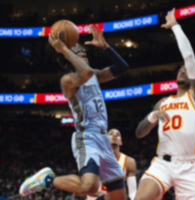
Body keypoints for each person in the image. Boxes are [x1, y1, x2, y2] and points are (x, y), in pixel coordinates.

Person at [19, 24, 129, 200]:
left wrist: (105, 47)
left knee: (118, 197)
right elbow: (84, 73)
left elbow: (123, 67)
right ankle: (47, 180)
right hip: (87, 137)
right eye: (78, 54)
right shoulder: (68, 80)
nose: (83, 55)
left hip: (103, 139)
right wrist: (63, 49)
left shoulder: (95, 75)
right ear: (70, 59)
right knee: (90, 186)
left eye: (84, 53)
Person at [134, 8, 195, 200]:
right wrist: (152, 116)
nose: (183, 71)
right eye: (180, 70)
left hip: (190, 166)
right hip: (162, 164)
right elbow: (139, 133)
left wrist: (175, 27)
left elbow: (190, 59)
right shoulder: (163, 102)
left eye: (186, 70)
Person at [87, 128, 137, 200]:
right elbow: (90, 190)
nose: (114, 135)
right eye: (111, 134)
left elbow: (133, 193)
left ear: (121, 142)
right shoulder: (95, 159)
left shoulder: (129, 162)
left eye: (118, 135)